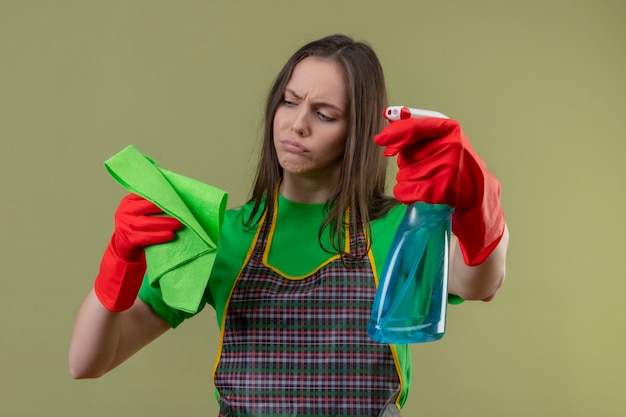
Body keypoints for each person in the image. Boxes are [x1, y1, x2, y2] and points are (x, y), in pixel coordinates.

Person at [69, 34, 509, 417]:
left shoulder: (398, 228)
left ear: (356, 131)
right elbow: (87, 362)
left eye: (324, 114)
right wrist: (118, 266)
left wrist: (477, 198)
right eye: (290, 101)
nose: (297, 124)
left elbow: (480, 282)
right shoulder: (223, 235)